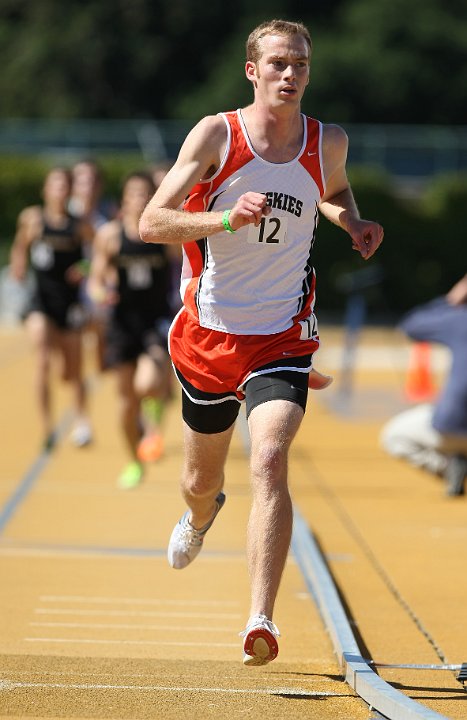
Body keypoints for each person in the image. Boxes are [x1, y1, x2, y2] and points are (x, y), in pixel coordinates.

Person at [138, 18, 384, 666]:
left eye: (299, 64)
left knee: (270, 457)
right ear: (252, 70)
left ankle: (260, 618)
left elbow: (329, 191)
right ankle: (199, 514)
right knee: (200, 477)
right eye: (276, 63)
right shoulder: (218, 133)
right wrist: (224, 216)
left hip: (281, 335)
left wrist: (350, 220)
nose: (289, 74)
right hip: (210, 333)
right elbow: (150, 221)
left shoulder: (326, 140)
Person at [89, 172, 174, 489]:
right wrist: (100, 293)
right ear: (123, 199)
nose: (139, 198)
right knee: (125, 405)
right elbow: (96, 278)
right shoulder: (110, 235)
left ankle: (154, 413)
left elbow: (187, 263)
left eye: (145, 193)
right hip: (123, 324)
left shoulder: (163, 234)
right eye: (133, 193)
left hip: (155, 321)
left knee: (149, 382)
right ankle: (134, 461)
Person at [9, 166, 94, 450]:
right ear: (45, 190)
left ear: (69, 191)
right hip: (40, 301)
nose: (59, 191)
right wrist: (19, 265)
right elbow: (21, 245)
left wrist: (84, 268)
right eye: (54, 185)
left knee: (72, 371)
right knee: (42, 359)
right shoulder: (32, 219)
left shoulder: (79, 225)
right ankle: (47, 426)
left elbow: (97, 256)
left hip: (68, 303)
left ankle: (81, 418)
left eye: (64, 186)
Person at [380, 274, 467, 496]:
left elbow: (411, 326)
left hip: (453, 425)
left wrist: (450, 300)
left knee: (394, 436)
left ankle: (449, 467)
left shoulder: (459, 320)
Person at [69, 159, 117, 373]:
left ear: (99, 185)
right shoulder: (65, 213)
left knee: (100, 339)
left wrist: (86, 268)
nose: (86, 187)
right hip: (68, 287)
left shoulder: (108, 214)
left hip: (97, 281)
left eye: (91, 181)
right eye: (81, 181)